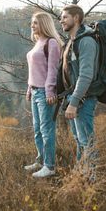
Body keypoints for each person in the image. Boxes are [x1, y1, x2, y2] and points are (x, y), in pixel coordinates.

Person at [59, 4, 101, 168]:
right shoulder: (72, 41)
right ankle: (80, 176)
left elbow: (86, 75)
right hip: (74, 97)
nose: (61, 21)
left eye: (64, 17)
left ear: (76, 18)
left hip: (84, 98)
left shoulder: (86, 41)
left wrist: (74, 102)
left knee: (87, 141)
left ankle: (92, 180)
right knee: (79, 139)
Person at [24, 12, 63, 178]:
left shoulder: (51, 43)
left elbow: (52, 70)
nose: (32, 25)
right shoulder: (38, 42)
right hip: (35, 91)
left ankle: (49, 166)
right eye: (32, 23)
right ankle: (40, 161)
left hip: (45, 93)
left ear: (44, 24)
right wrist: (29, 88)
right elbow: (34, 69)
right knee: (37, 130)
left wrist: (49, 91)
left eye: (36, 23)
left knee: (47, 131)